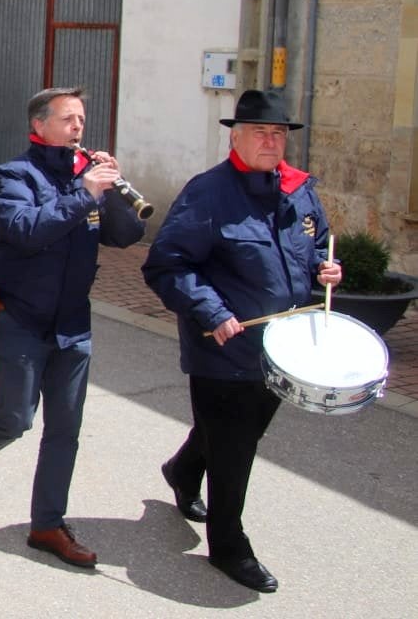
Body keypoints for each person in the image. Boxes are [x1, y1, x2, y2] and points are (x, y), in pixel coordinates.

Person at [142, 89, 341, 594]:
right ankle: (228, 547)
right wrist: (213, 312)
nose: (271, 142)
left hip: (285, 348)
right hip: (223, 347)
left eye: (278, 134)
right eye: (260, 133)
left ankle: (183, 471)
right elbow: (166, 265)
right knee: (235, 451)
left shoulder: (299, 191)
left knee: (239, 433)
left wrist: (327, 268)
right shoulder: (208, 193)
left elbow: (316, 243)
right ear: (237, 137)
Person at [0, 88, 146, 570]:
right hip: (21, 318)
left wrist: (115, 191)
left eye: (82, 118)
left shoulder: (88, 177)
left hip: (74, 323)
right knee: (16, 418)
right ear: (39, 126)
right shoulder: (12, 176)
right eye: (68, 119)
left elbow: (126, 236)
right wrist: (85, 193)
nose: (79, 127)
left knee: (65, 429)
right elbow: (27, 229)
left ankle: (47, 525)